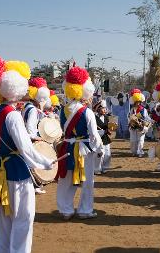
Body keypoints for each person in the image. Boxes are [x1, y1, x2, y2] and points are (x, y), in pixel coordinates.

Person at [0, 56, 53, 253]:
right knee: (23, 217)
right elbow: (25, 149)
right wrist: (46, 163)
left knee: (2, 220)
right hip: (16, 170)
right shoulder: (12, 115)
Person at [56, 66, 102, 220]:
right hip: (84, 150)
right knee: (87, 181)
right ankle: (85, 210)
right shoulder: (87, 111)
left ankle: (66, 210)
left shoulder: (62, 110)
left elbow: (61, 129)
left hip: (68, 147)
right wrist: (98, 149)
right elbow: (94, 135)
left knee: (66, 180)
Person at [22, 77, 50, 195]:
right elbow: (30, 129)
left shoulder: (27, 106)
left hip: (28, 139)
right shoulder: (33, 110)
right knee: (33, 164)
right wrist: (38, 138)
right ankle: (34, 186)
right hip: (31, 140)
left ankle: (33, 186)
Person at [128, 89, 151, 158]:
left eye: (138, 102)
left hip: (141, 127)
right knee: (133, 140)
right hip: (133, 127)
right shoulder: (132, 109)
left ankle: (140, 152)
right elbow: (130, 117)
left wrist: (144, 123)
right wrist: (131, 121)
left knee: (140, 140)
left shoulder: (144, 110)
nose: (137, 103)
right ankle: (134, 151)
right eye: (136, 102)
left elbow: (147, 118)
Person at [93, 100, 112, 175]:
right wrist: (104, 131)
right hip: (98, 139)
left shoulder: (107, 117)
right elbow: (93, 131)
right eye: (103, 108)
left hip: (106, 138)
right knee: (99, 154)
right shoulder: (94, 118)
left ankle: (105, 167)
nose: (105, 110)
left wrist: (110, 130)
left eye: (105, 108)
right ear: (98, 109)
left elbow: (109, 127)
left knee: (107, 154)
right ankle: (97, 169)